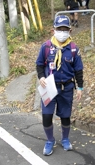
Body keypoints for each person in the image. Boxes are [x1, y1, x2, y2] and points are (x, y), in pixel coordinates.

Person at [36, 15, 84, 156]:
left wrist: (80, 87)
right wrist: (41, 77)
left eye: (65, 29)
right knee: (46, 116)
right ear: (53, 30)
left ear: (70, 31)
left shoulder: (74, 49)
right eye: (59, 29)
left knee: (65, 116)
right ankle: (50, 140)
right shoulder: (46, 47)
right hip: (49, 87)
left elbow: (78, 70)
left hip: (66, 88)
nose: (62, 32)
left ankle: (65, 139)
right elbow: (39, 65)